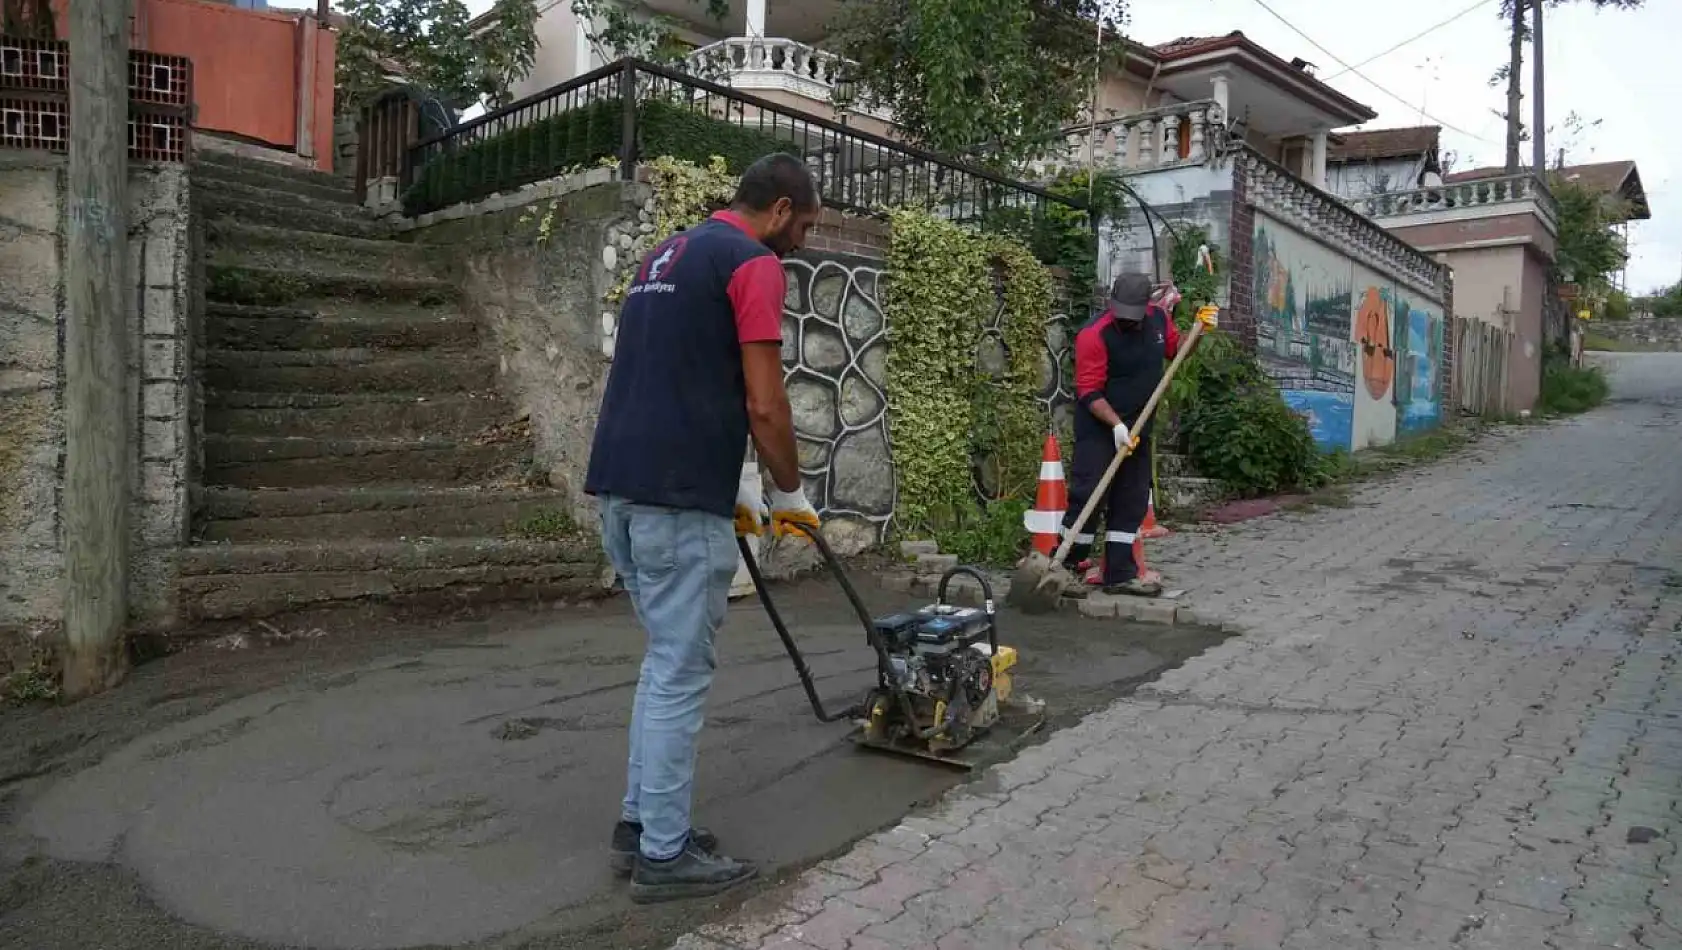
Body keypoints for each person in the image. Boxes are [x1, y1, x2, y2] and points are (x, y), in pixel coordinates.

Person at [584, 153, 822, 904]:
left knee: (663, 667)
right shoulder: (751, 263)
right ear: (780, 210)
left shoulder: (666, 254)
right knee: (681, 675)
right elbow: (764, 403)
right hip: (679, 500)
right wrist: (790, 489)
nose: (803, 244)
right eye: (805, 227)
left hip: (622, 488)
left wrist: (741, 486)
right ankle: (664, 853)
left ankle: (641, 824)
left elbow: (675, 374)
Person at [1060, 272, 1179, 598]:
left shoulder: (1159, 321)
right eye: (1121, 314)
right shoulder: (1093, 334)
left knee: (1132, 499)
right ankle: (1066, 567)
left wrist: (1200, 329)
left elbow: (1176, 350)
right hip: (1100, 427)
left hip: (1139, 427)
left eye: (1133, 315)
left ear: (1146, 306)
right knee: (1088, 495)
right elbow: (1088, 389)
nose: (1127, 322)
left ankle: (1120, 574)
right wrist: (1116, 425)